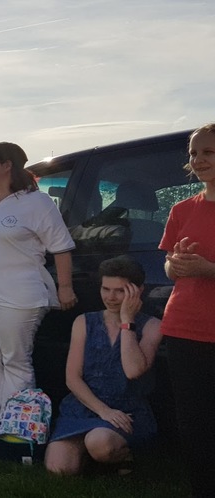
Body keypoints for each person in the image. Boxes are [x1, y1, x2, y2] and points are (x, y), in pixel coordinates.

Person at [0, 142, 76, 431]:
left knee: (15, 360)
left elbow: (61, 247)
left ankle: (19, 428)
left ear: (8, 165)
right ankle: (0, 423)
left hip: (20, 295)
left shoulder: (37, 203)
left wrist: (65, 287)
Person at [44, 256, 161, 475]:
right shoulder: (84, 322)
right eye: (105, 289)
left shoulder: (151, 326)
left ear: (138, 291)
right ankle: (90, 454)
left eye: (120, 291)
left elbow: (133, 370)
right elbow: (72, 377)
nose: (111, 297)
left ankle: (118, 454)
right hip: (85, 406)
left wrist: (127, 322)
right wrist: (102, 411)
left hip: (126, 410)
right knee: (58, 468)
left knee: (100, 443)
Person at [159, 123, 215, 498]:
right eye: (194, 153)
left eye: (208, 152)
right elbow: (169, 266)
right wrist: (175, 265)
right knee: (195, 424)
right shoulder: (181, 209)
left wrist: (209, 270)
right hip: (184, 329)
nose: (198, 160)